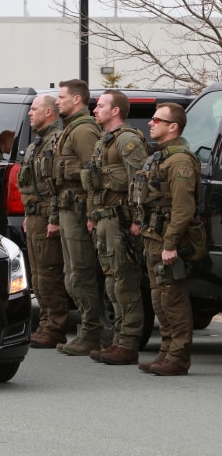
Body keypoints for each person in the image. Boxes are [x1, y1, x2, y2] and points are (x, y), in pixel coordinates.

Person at [129, 103, 201, 376]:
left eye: (157, 119)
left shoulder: (180, 161)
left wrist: (170, 244)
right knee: (160, 298)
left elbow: (183, 209)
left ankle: (178, 357)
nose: (150, 123)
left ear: (173, 126)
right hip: (153, 236)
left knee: (173, 298)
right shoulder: (161, 157)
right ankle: (166, 353)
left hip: (166, 240)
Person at [87, 90, 150, 364]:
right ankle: (118, 339)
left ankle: (128, 342)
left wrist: (137, 220)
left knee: (125, 282)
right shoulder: (104, 141)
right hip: (104, 220)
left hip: (120, 221)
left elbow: (140, 183)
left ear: (115, 111)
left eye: (100, 105)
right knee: (112, 283)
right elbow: (94, 182)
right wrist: (92, 214)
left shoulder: (127, 140)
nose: (95, 110)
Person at [53, 78, 103, 356]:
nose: (57, 101)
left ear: (76, 99)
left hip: (79, 210)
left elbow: (92, 175)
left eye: (61, 97)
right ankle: (87, 332)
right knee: (71, 274)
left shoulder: (84, 131)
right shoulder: (70, 128)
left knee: (80, 274)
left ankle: (91, 334)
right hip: (66, 209)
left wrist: (92, 213)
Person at [18, 95, 69, 349]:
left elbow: (59, 185)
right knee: (37, 276)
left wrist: (54, 218)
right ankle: (45, 323)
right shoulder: (37, 144)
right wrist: (28, 215)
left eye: (34, 109)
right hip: (35, 216)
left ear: (49, 112)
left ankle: (55, 326)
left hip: (48, 216)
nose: (30, 113)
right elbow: (31, 185)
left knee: (49, 273)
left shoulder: (57, 142)